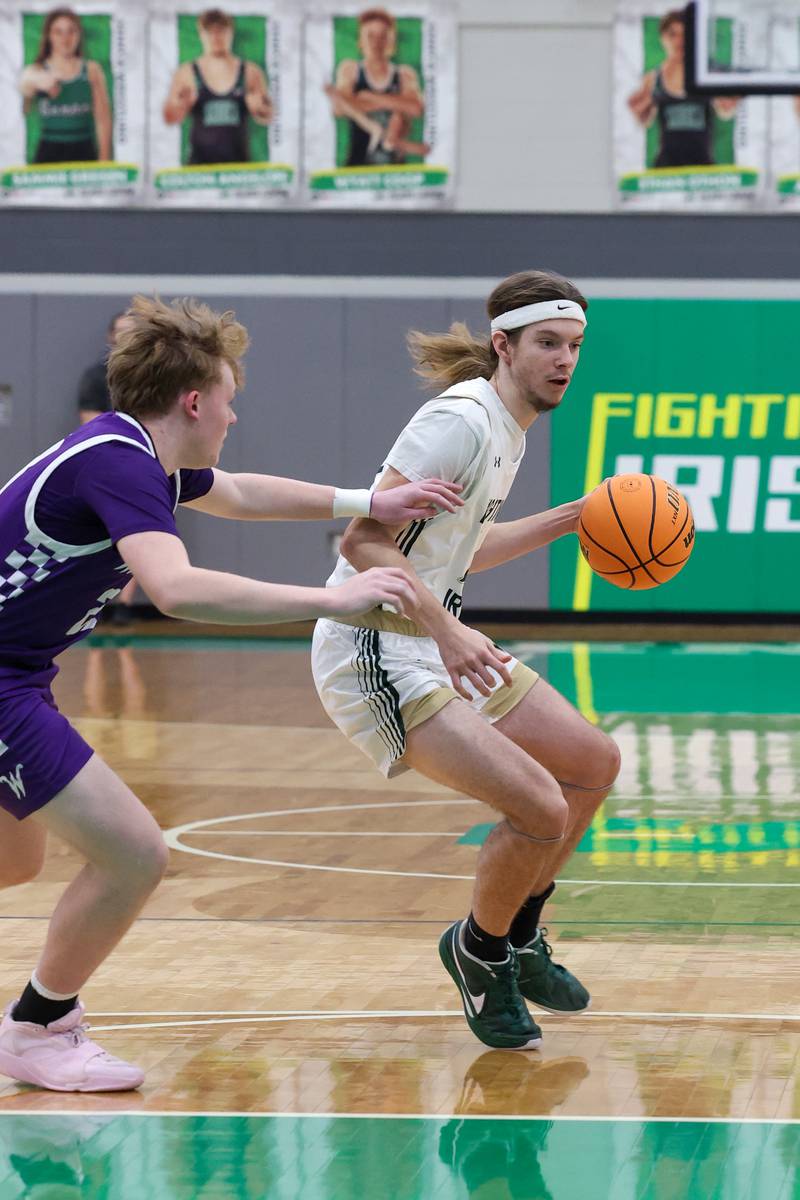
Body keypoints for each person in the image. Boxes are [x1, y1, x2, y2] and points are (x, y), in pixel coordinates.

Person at [0, 294, 462, 1093]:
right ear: (194, 400)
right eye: (229, 399)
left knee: (15, 859)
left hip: (19, 675)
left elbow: (240, 492)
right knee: (133, 853)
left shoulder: (129, 452)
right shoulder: (119, 462)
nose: (232, 417)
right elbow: (174, 588)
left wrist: (369, 503)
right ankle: (42, 1027)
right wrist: (333, 598)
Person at [311, 269, 621, 1052]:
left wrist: (576, 516)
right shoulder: (456, 422)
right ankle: (479, 954)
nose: (564, 360)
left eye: (575, 346)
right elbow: (362, 540)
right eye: (548, 343)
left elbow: (461, 549)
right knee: (542, 806)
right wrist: (447, 636)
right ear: (503, 344)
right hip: (375, 648)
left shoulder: (507, 426)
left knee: (593, 760)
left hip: (433, 637)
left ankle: (517, 935)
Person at [76, 312, 137, 624]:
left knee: (137, 533)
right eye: (121, 331)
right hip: (109, 466)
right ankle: (95, 606)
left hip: (140, 468)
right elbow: (90, 422)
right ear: (110, 336)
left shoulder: (151, 377)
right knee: (100, 538)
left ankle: (124, 606)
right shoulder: (95, 377)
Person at [627, 8, 738, 168]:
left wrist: (731, 97)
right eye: (672, 34)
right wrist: (638, 107)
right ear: (663, 38)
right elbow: (643, 120)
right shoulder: (653, 78)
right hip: (665, 169)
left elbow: (726, 113)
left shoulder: (709, 75)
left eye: (685, 35)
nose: (679, 41)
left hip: (703, 168)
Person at [162, 8, 272, 166]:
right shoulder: (186, 73)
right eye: (210, 32)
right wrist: (180, 106)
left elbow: (267, 117)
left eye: (221, 31)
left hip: (239, 168)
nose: (216, 37)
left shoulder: (251, 72)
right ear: (201, 34)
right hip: (199, 169)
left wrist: (260, 108)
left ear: (231, 33)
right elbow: (169, 118)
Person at [324, 7, 428, 167]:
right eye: (370, 36)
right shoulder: (350, 70)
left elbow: (416, 108)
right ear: (360, 41)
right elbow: (339, 108)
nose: (376, 43)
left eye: (382, 36)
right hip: (357, 162)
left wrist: (369, 98)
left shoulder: (405, 74)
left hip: (395, 167)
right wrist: (397, 102)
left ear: (390, 41)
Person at [17, 7, 112, 164]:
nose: (65, 38)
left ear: (79, 35)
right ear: (49, 36)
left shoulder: (91, 69)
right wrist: (36, 82)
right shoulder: (37, 70)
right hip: (49, 151)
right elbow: (25, 94)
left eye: (71, 31)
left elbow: (103, 119)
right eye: (58, 32)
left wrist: (104, 160)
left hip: (84, 149)